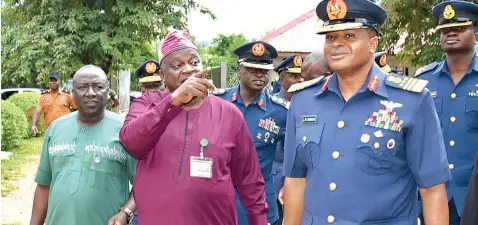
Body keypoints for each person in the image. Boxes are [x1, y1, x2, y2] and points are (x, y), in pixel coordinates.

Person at [282, 1, 451, 225]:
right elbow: (295, 180)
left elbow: (432, 189)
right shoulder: (303, 101)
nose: (337, 44)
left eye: (349, 36)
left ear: (373, 43)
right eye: (330, 37)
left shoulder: (412, 100)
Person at [119, 30, 268, 225]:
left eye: (194, 62)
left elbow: (251, 183)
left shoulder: (229, 114)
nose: (189, 69)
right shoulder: (147, 104)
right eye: (177, 65)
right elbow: (131, 142)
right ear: (163, 76)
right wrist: (172, 102)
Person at [30, 65, 136, 225]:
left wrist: (125, 212)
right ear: (73, 93)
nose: (91, 93)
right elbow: (44, 185)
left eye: (98, 87)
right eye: (82, 87)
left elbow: (143, 183)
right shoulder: (55, 129)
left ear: (108, 92)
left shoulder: (126, 130)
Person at [415, 1, 478, 224]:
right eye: (445, 30)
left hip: (473, 197)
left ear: (476, 35)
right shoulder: (422, 81)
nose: (450, 33)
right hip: (431, 197)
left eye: (460, 28)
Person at [211, 41, 287, 225]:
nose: (260, 75)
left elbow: (293, 156)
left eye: (264, 71)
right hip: (219, 199)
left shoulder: (280, 111)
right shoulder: (217, 103)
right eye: (253, 69)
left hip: (260, 202)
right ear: (239, 70)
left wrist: (286, 184)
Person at [129, 59, 166, 225]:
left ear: (165, 86)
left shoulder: (180, 113)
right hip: (143, 196)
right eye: (148, 87)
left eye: (157, 86)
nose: (152, 93)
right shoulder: (134, 117)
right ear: (141, 89)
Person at [31, 71, 77, 136]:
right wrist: (33, 125)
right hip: (49, 132)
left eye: (55, 80)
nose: (53, 82)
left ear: (59, 81)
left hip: (64, 131)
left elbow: (76, 109)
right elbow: (37, 112)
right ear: (49, 81)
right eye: (51, 80)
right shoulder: (43, 97)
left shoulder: (67, 96)